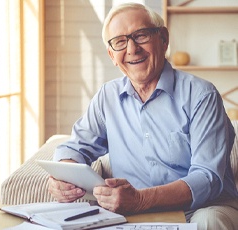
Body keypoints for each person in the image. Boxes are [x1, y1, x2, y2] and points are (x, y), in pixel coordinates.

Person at [48, 3, 238, 229]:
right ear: (111, 55)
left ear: (163, 39)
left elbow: (208, 178)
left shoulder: (202, 95)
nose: (131, 49)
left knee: (209, 222)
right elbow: (75, 148)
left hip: (201, 209)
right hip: (129, 215)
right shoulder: (106, 97)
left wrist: (140, 199)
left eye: (141, 35)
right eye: (119, 42)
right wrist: (63, 176)